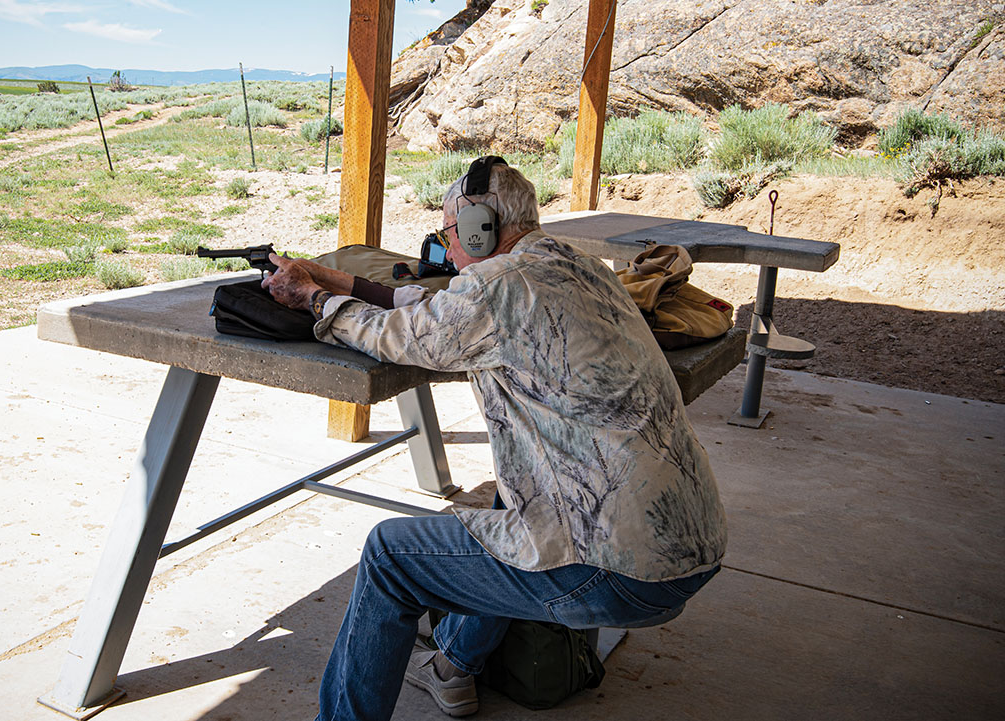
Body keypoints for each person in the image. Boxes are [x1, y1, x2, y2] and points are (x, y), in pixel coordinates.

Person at [262, 158, 727, 721]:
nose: (448, 249)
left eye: (450, 234)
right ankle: (453, 666)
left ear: (482, 224)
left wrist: (313, 300)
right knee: (514, 497)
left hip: (615, 570)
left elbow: (401, 337)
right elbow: (444, 310)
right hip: (692, 549)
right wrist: (337, 281)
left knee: (390, 557)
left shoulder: (500, 283)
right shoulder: (581, 266)